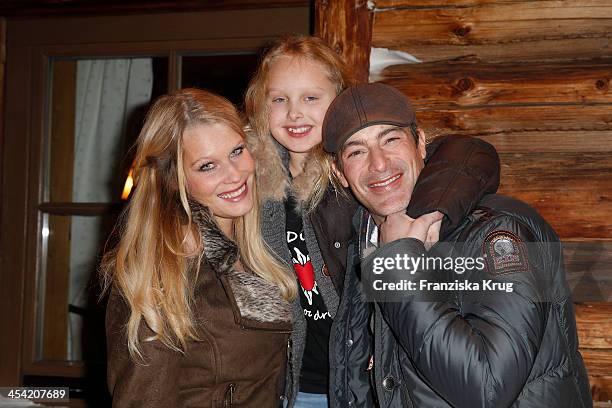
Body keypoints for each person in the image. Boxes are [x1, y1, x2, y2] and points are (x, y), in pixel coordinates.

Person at [244, 35, 502, 407]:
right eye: (279, 99)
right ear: (260, 104)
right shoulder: (250, 176)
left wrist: (436, 208)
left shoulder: (359, 174)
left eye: (311, 98)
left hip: (355, 379)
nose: (294, 113)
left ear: (339, 102)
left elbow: (468, 155)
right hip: (285, 381)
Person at [323, 82, 593, 407]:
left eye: (391, 140)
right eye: (356, 152)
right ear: (340, 173)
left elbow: (487, 388)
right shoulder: (367, 239)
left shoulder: (498, 232)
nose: (378, 163)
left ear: (421, 143)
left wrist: (398, 265)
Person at [102, 88, 296, 407]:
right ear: (174, 180)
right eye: (207, 166)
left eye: (236, 151)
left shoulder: (251, 248)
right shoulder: (162, 271)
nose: (234, 175)